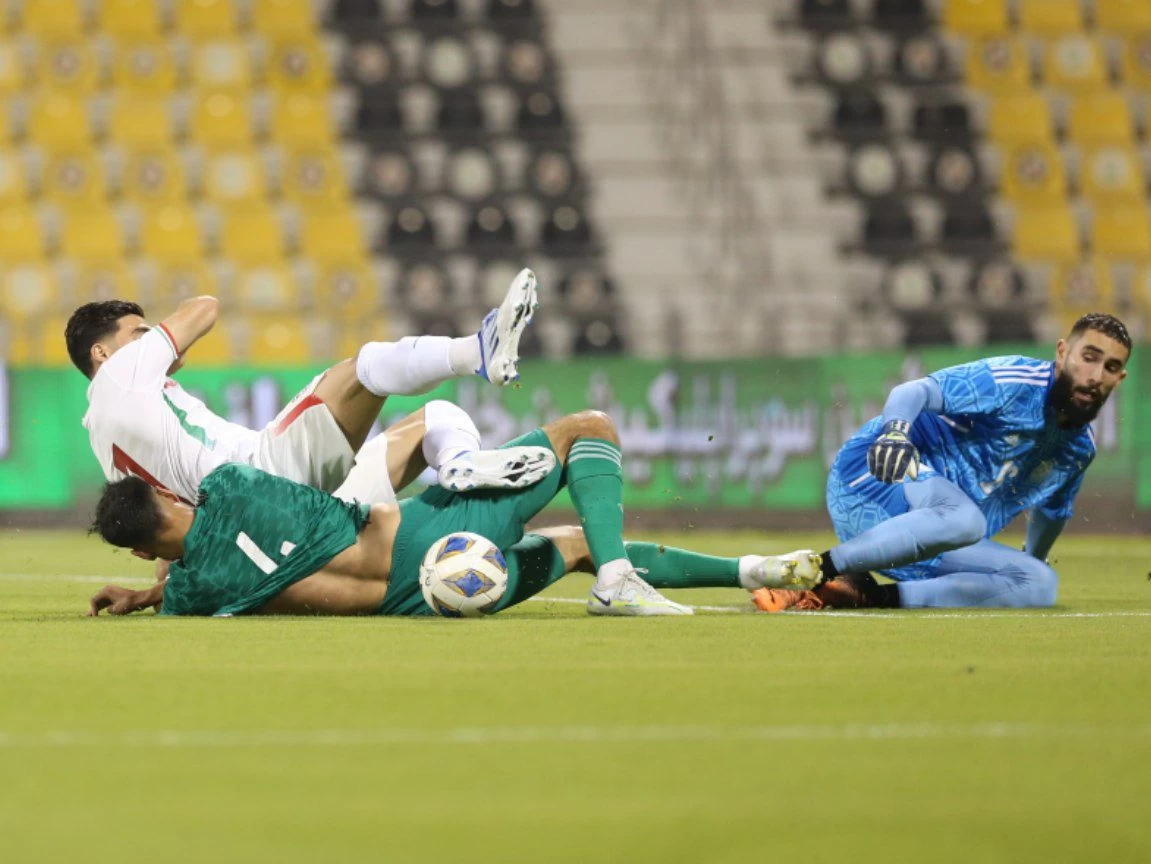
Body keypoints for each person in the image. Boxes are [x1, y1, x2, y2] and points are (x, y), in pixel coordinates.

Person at [87, 411, 824, 618]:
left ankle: (752, 571)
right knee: (586, 432)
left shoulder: (187, 596)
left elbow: (193, 571)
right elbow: (354, 516)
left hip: (417, 604)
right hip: (425, 543)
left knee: (568, 544)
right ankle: (621, 578)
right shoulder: (237, 487)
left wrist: (145, 592)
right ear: (172, 497)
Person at [63, 269, 553, 511]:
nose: (146, 340)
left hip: (272, 522)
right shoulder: (122, 373)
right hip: (265, 471)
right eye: (136, 333)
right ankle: (477, 352)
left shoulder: (103, 439)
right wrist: (159, 338)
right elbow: (204, 309)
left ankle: (458, 466)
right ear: (101, 354)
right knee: (364, 367)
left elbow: (164, 522)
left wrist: (161, 586)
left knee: (440, 418)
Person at [753, 313, 1131, 612]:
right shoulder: (1014, 381)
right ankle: (811, 570)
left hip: (932, 535)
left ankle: (866, 596)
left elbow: (1052, 512)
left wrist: (1029, 563)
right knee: (964, 519)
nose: (1096, 376)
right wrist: (896, 434)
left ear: (1120, 378)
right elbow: (912, 391)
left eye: (1111, 367)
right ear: (1063, 352)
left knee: (1038, 582)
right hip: (879, 476)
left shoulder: (1078, 449)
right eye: (1089, 357)